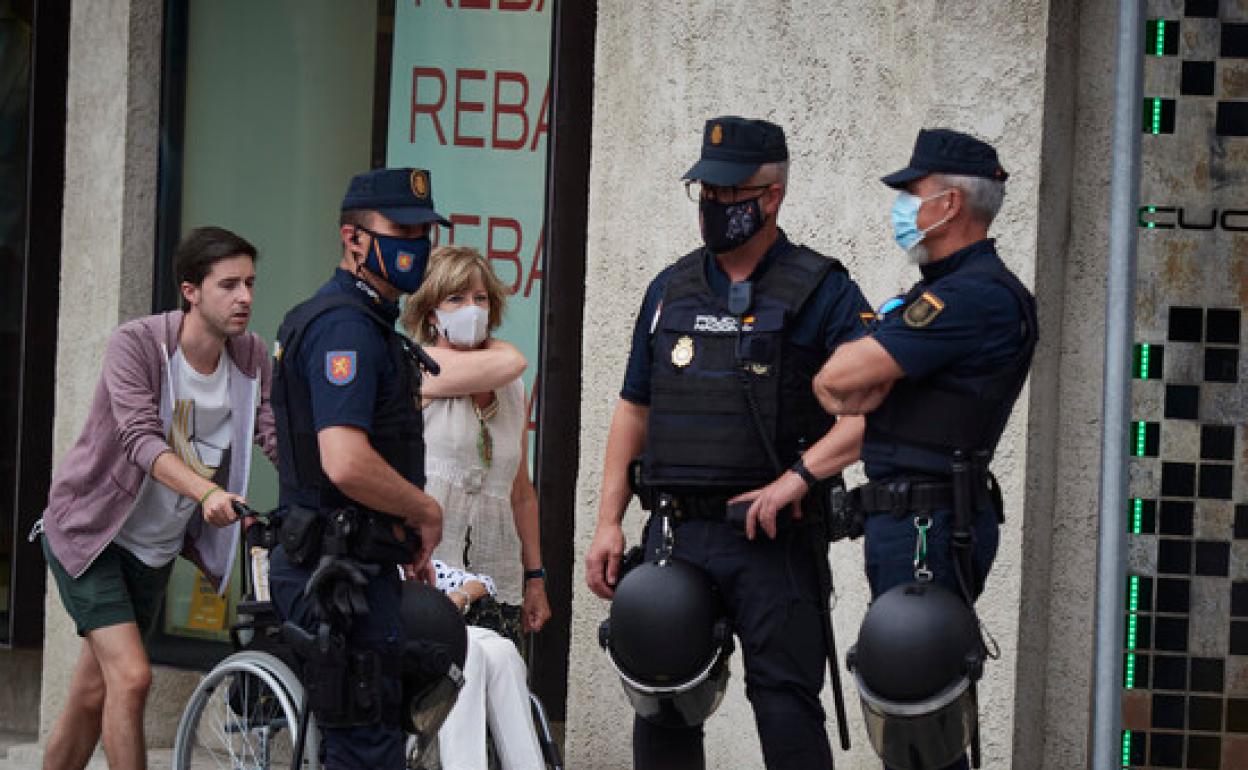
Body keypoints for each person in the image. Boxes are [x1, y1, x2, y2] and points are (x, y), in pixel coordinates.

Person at [584, 115, 872, 770]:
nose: (712, 205)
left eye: (728, 193)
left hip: (774, 543)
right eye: (706, 191)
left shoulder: (822, 290)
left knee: (785, 709)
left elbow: (869, 415)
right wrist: (607, 522)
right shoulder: (670, 290)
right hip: (678, 535)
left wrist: (797, 478)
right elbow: (634, 408)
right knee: (663, 704)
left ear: (771, 197)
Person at [813, 128, 1037, 770]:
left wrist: (849, 379)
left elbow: (838, 379)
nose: (903, 207)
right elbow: (855, 390)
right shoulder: (944, 292)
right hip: (911, 521)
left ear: (950, 204)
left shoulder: (971, 297)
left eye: (913, 193)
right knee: (911, 712)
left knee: (918, 713)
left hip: (927, 527)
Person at [37, 226, 274, 770]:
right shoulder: (139, 344)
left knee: (93, 691)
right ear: (191, 290)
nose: (244, 297)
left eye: (250, 283)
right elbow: (139, 439)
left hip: (154, 550)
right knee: (133, 676)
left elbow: (273, 434)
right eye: (229, 285)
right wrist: (207, 491)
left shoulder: (252, 355)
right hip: (92, 534)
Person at [267, 168, 447, 770]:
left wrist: (401, 532)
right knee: (365, 753)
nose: (416, 245)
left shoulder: (368, 323)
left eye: (422, 232)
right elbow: (343, 461)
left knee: (377, 741)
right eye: (401, 231)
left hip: (358, 564)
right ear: (353, 239)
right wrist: (423, 510)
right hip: (330, 575)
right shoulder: (343, 326)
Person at [402, 245, 551, 633]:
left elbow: (521, 493)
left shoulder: (512, 389)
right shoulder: (419, 368)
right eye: (456, 298)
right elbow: (513, 359)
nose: (472, 309)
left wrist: (535, 578)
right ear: (431, 312)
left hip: (498, 577)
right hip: (433, 571)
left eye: (480, 298)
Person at [415, 558, 545, 770]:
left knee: (503, 651)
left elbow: (484, 584)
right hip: (398, 659)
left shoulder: (418, 566)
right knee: (467, 649)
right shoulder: (376, 569)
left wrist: (459, 597)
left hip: (432, 651)